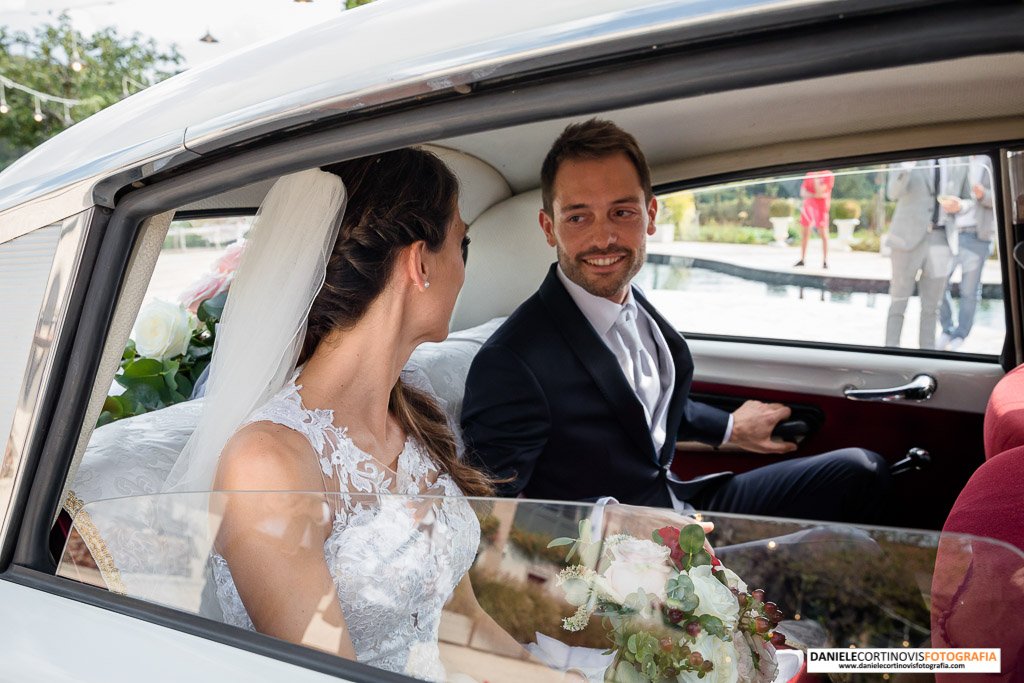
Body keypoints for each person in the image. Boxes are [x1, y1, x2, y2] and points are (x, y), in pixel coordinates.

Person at [461, 119, 890, 523]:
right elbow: (490, 513)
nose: (603, 237)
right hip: (628, 564)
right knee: (842, 547)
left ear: (650, 215)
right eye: (578, 217)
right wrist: (613, 530)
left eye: (621, 212)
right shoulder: (512, 361)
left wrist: (728, 427)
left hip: (678, 504)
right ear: (549, 227)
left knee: (861, 468)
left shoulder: (635, 307)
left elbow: (641, 402)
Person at [884, 157, 974, 349]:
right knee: (898, 300)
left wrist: (960, 205)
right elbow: (892, 192)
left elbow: (968, 199)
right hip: (905, 240)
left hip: (943, 239)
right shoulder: (906, 156)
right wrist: (906, 167)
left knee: (932, 306)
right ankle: (890, 351)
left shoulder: (961, 158)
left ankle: (927, 355)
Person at [937, 155, 996, 351]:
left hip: (978, 236)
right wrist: (955, 204)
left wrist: (983, 195)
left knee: (969, 291)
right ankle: (947, 328)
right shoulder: (958, 160)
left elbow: (1004, 197)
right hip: (953, 234)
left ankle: (960, 334)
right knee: (938, 284)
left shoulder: (991, 160)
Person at [793, 169, 834, 269]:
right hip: (808, 208)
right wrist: (815, 195)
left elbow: (820, 192)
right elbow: (803, 193)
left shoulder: (828, 175)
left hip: (821, 209)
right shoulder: (809, 174)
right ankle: (802, 259)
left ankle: (825, 261)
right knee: (805, 234)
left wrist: (816, 179)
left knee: (823, 234)